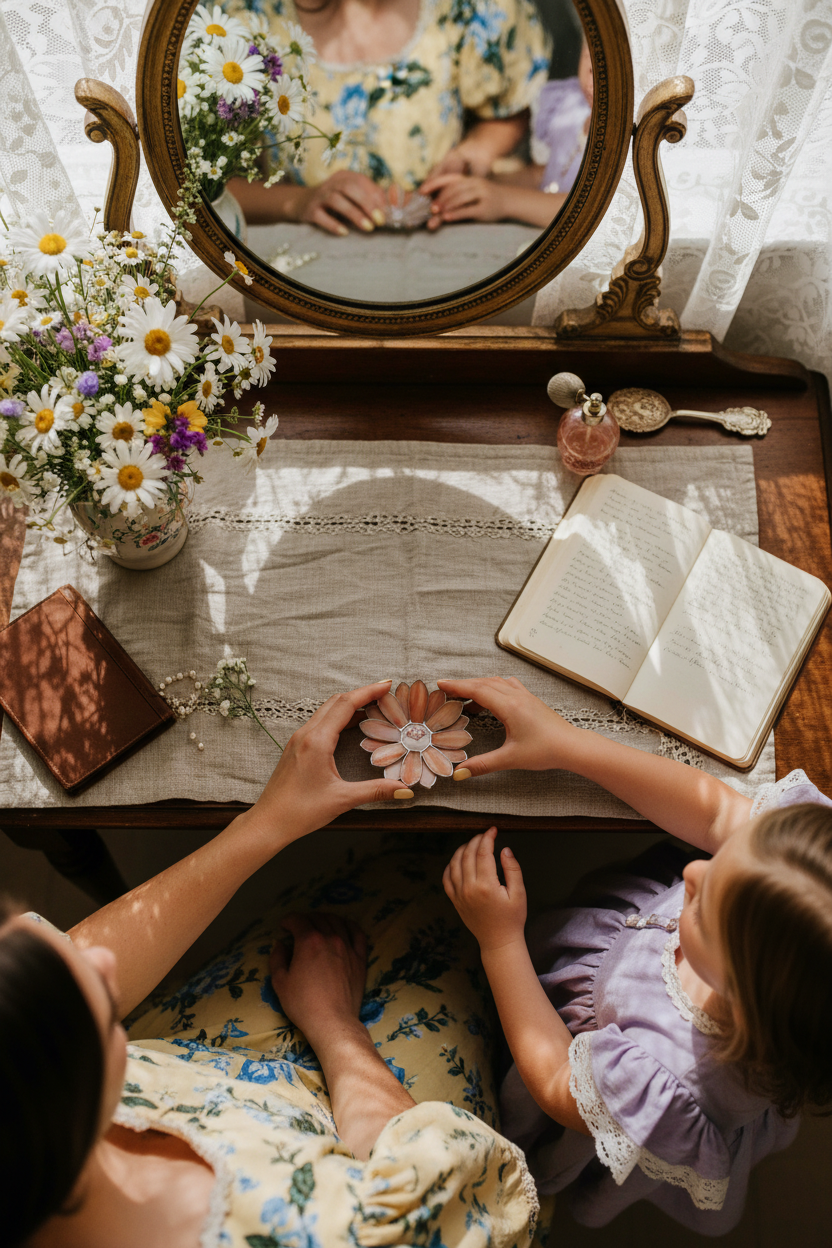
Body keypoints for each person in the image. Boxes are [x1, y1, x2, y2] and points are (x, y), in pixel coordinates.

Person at [0, 680, 538, 1248]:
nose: (101, 964)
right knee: (432, 921)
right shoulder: (324, 1230)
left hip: (204, 1061)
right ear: (54, 1103)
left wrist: (269, 821)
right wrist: (335, 1026)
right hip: (378, 1129)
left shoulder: (21, 1117)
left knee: (377, 897)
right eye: (91, 1010)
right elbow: (442, 1180)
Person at [435, 675, 832, 1234]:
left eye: (701, 907)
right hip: (620, 947)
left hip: (555, 1041)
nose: (692, 870)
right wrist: (565, 744)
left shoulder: (667, 1080)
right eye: (721, 861)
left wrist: (499, 940)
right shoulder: (799, 877)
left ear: (743, 990)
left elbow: (552, 1081)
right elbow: (718, 813)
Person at [227, 0, 550, 235]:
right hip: (295, 259)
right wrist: (298, 203)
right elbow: (204, 187)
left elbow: (510, 106)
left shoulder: (479, 7)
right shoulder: (239, 21)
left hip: (448, 244)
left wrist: (473, 153)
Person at [421, 39, 592, 230]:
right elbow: (540, 177)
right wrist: (477, 186)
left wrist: (504, 200)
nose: (592, 72)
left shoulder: (626, 138)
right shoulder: (564, 107)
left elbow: (594, 208)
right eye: (589, 52)